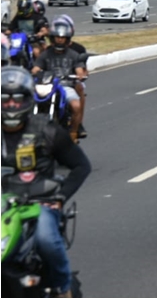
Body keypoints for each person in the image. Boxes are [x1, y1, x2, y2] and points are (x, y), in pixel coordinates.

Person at [1, 67, 91, 298]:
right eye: (4, 99)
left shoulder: (48, 130)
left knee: (46, 240)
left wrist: (60, 198)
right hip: (3, 204)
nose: (11, 104)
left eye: (17, 98)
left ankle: (63, 288)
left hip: (39, 203)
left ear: (28, 100)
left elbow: (81, 166)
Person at [31, 21, 87, 143]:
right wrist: (32, 72)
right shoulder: (45, 54)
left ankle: (73, 132)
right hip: (48, 86)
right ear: (53, 38)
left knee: (76, 106)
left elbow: (79, 70)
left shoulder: (73, 54)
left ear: (67, 39)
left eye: (63, 38)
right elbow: (36, 68)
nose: (60, 40)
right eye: (58, 37)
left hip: (66, 87)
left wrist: (79, 75)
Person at [52, 16, 90, 139]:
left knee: (80, 89)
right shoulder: (48, 50)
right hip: (52, 83)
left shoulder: (78, 49)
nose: (60, 38)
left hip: (72, 81)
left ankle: (78, 123)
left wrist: (81, 75)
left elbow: (84, 70)